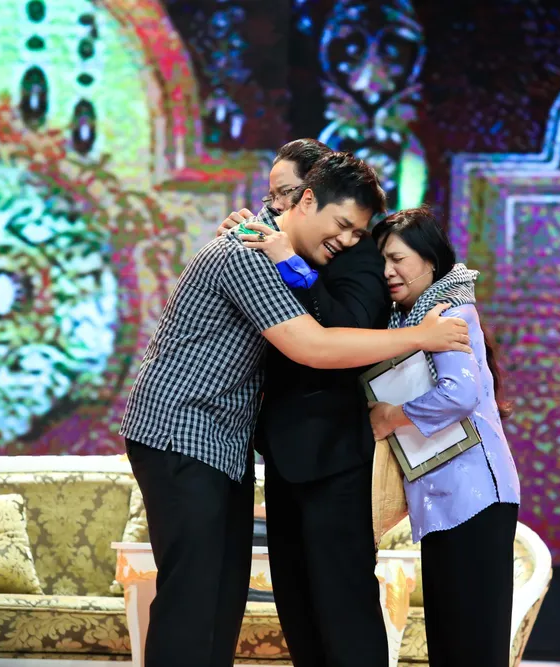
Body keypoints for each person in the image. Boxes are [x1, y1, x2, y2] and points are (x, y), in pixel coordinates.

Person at [119, 154, 471, 667]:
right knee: (193, 595)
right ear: (307, 200)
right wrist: (420, 335)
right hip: (183, 429)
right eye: (342, 225)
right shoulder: (249, 252)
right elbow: (312, 345)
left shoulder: (269, 248)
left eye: (358, 232)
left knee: (219, 597)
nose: (349, 240)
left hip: (221, 442)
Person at [220, 138, 390, 666]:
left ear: (312, 194)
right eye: (272, 197)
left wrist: (291, 262)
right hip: (283, 453)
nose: (276, 207)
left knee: (344, 606)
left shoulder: (360, 255)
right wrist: (238, 243)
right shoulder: (274, 242)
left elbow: (348, 331)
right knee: (297, 606)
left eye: (287, 194)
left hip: (334, 458)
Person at [368, 206, 521, 667]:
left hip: (474, 497)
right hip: (444, 499)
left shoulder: (451, 311)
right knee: (451, 641)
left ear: (430, 261)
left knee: (472, 643)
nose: (388, 271)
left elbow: (460, 393)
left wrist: (391, 416)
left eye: (398, 259)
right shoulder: (408, 321)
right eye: (382, 261)